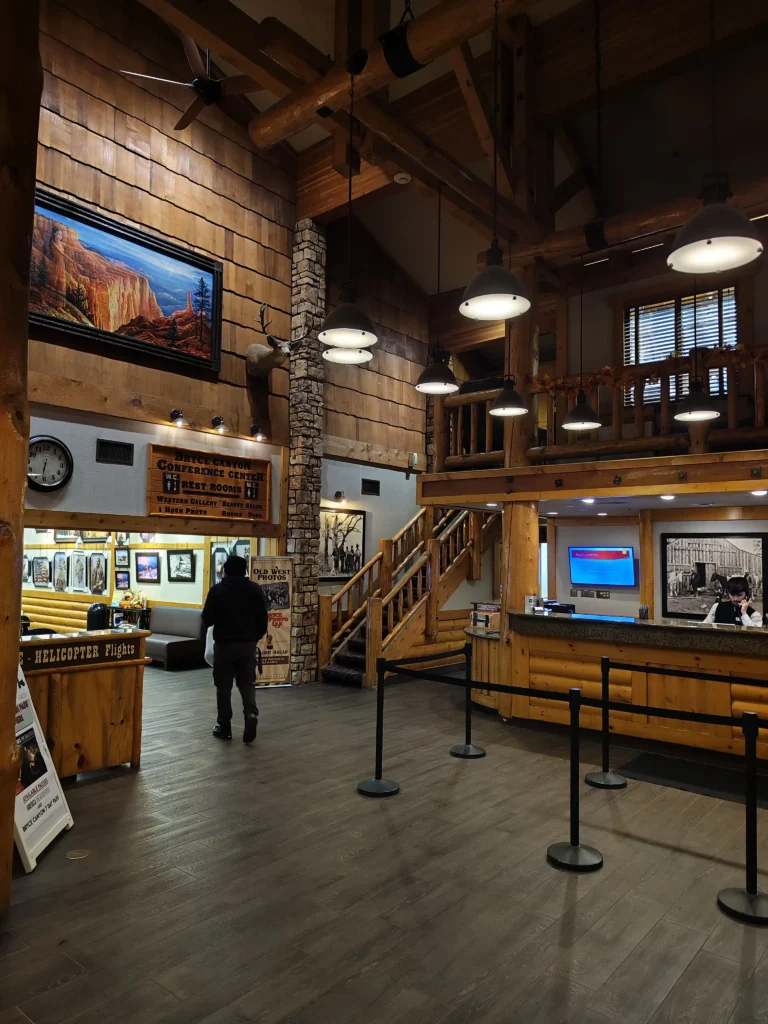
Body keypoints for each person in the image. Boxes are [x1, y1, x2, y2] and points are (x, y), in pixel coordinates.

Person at [202, 555, 268, 742]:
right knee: (246, 683)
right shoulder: (255, 590)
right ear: (245, 569)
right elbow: (263, 619)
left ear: (225, 570)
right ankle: (251, 714)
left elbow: (207, 619)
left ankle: (225, 727)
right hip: (247, 645)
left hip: (224, 645)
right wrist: (255, 637)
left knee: (223, 687)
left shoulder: (217, 591)